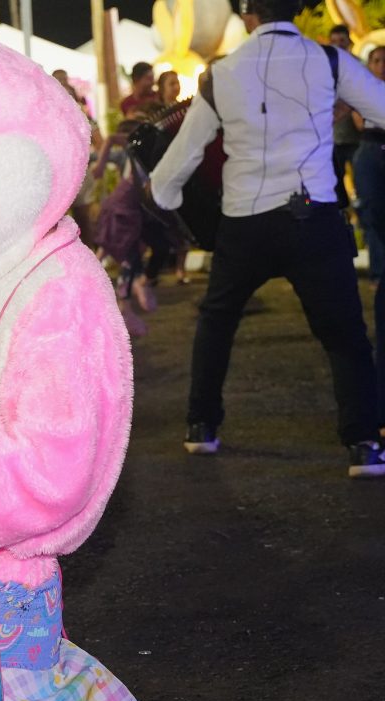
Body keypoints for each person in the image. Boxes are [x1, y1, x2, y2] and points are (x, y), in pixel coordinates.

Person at [150, 0, 385, 477]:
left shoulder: (223, 72)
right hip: (312, 216)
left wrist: (166, 194)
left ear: (248, 14)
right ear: (298, 11)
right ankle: (362, 443)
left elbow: (185, 152)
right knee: (344, 334)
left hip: (244, 221)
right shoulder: (329, 60)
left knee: (217, 321)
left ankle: (202, 427)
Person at [353, 46, 385, 285]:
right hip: (371, 148)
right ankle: (379, 271)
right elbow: (361, 123)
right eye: (376, 61)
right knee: (372, 213)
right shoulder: (362, 92)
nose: (381, 66)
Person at [330, 24, 361, 211]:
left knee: (363, 181)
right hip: (334, 139)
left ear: (349, 42)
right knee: (337, 189)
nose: (338, 46)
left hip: (357, 137)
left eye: (342, 41)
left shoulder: (360, 67)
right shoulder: (325, 69)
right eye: (334, 42)